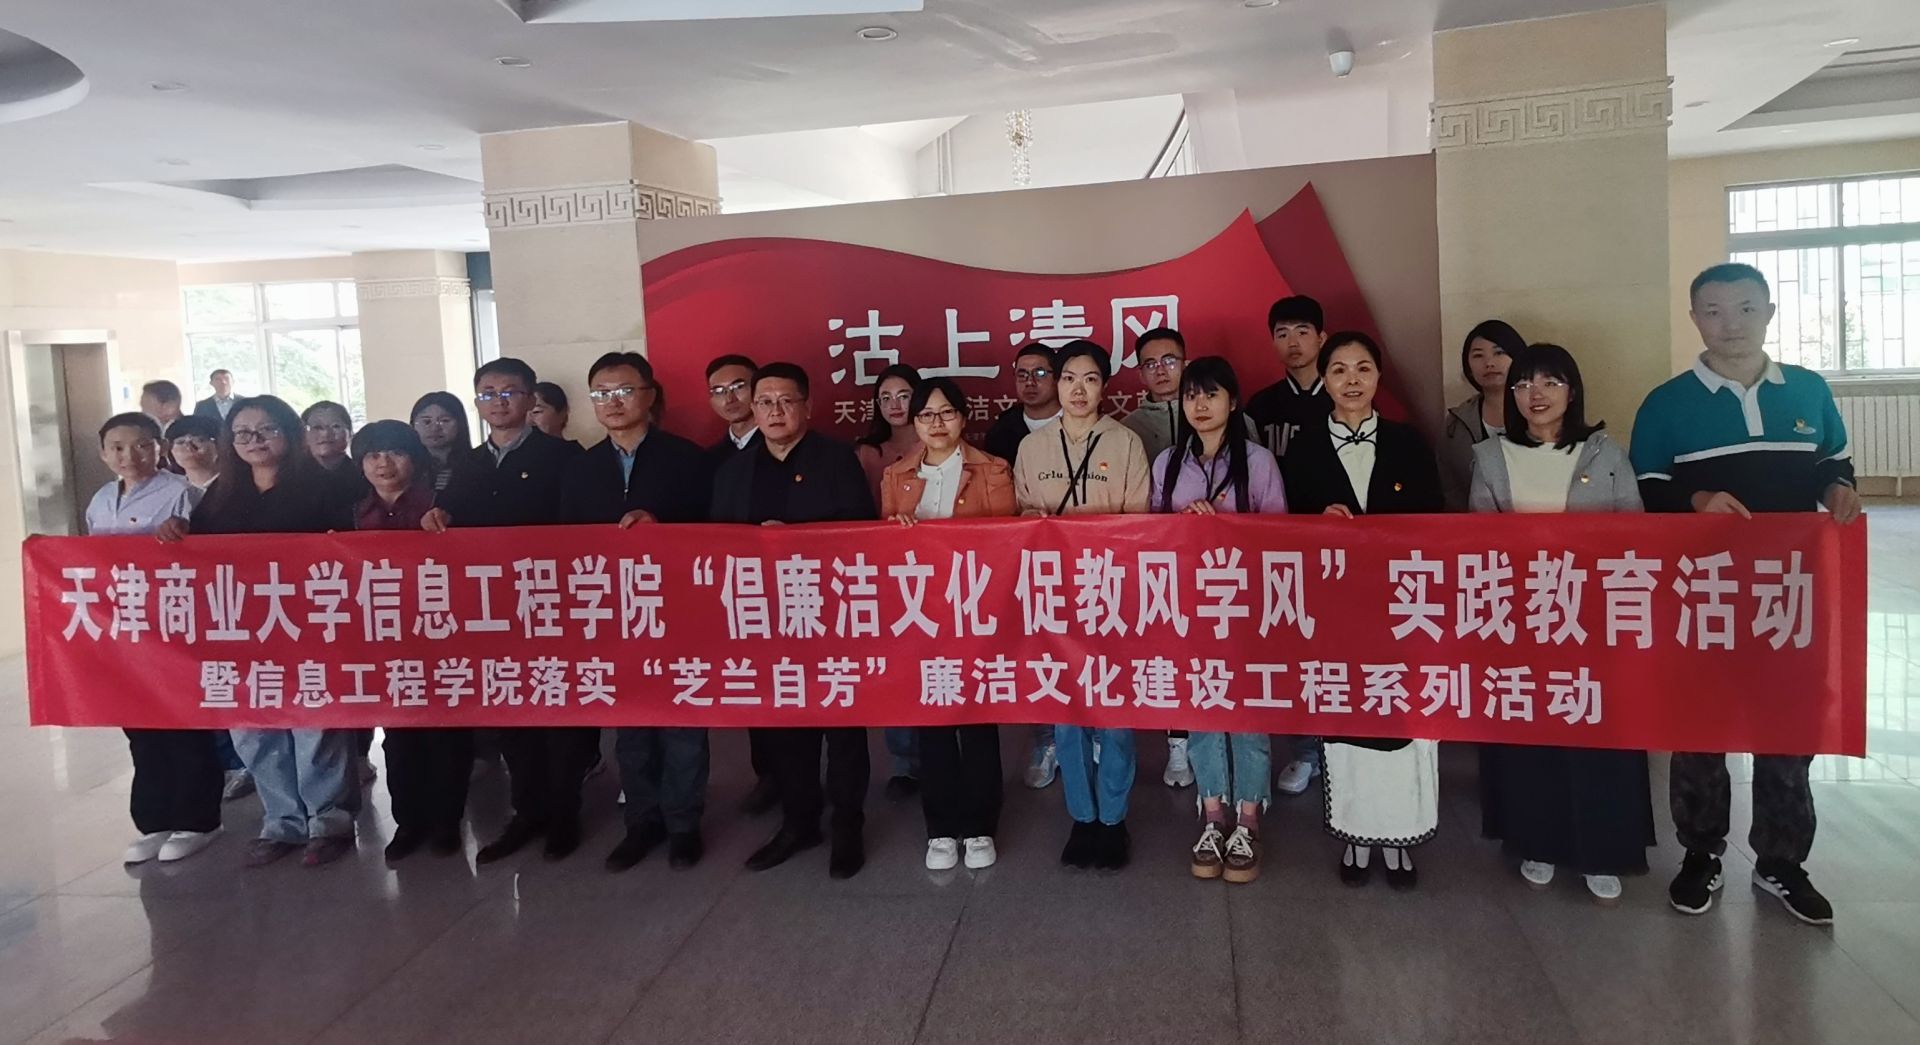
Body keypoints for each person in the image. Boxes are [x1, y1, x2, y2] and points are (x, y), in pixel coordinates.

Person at [1631, 262, 1862, 926]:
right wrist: (1696, 498)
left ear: (1768, 311)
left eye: (1744, 308)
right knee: (1700, 725)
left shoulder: (1808, 390)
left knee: (1788, 723)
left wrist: (1838, 488)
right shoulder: (1666, 403)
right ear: (1694, 318)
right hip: (1702, 593)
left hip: (1789, 592)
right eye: (1713, 310)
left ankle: (1781, 861)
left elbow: (1833, 462)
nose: (1729, 323)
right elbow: (1646, 488)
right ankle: (1700, 852)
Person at [1469, 344, 1654, 905]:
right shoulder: (1491, 457)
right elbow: (1479, 541)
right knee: (1533, 736)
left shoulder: (1606, 452)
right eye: (1525, 384)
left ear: (1572, 391)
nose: (1537, 394)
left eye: (1550, 382)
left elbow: (1635, 534)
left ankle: (1603, 850)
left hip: (1594, 619)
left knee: (1597, 733)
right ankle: (1538, 841)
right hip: (1521, 620)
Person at [158, 395, 359, 868]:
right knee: (255, 730)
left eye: (267, 430)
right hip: (242, 633)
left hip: (309, 626)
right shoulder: (220, 496)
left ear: (289, 433)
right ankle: (282, 822)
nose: (255, 441)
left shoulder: (325, 488)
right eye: (243, 433)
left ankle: (328, 822)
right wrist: (177, 530)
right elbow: (199, 556)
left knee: (315, 726)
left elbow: (350, 554)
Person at [1281, 331, 1442, 889]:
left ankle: (1402, 835)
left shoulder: (1409, 443)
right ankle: (1354, 832)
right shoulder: (1302, 448)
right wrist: (1315, 525)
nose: (1352, 380)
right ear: (1324, 380)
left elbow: (1435, 523)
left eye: (1363, 368)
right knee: (1347, 717)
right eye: (1339, 370)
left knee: (1402, 717)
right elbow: (1282, 530)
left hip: (1404, 608)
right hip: (1336, 611)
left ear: (1378, 377)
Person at [710, 361, 876, 879]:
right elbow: (717, 545)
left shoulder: (837, 460)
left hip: (830, 615)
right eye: (764, 402)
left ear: (808, 406)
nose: (775, 411)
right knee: (785, 728)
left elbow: (861, 536)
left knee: (842, 729)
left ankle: (847, 824)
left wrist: (795, 540)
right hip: (766, 620)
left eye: (786, 401)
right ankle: (799, 822)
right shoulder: (735, 469)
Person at [425, 357, 590, 864]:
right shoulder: (467, 464)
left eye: (509, 392)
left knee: (560, 713)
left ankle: (564, 815)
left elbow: (581, 530)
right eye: (487, 394)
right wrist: (437, 517)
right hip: (491, 611)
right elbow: (450, 525)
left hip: (551, 604)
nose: (498, 403)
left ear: (530, 398)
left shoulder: (564, 456)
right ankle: (528, 812)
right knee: (513, 712)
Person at [557, 351, 714, 873]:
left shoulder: (689, 460)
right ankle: (641, 821)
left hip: (678, 610)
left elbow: (716, 535)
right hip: (612, 615)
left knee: (682, 721)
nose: (613, 402)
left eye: (624, 390)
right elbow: (566, 547)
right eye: (601, 394)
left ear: (649, 396)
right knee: (632, 726)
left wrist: (662, 527)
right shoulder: (580, 469)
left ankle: (684, 824)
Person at [1013, 339, 1152, 871]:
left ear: (1104, 387)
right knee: (1066, 711)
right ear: (1055, 383)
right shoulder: (1033, 448)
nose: (1078, 389)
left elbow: (1138, 524)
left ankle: (1113, 819)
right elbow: (1022, 520)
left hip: (1111, 593)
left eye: (1090, 379)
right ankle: (1081, 816)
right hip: (1055, 597)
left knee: (1114, 711)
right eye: (1068, 378)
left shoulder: (1127, 442)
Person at [1149, 358, 1287, 884]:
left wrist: (1224, 526)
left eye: (1211, 394)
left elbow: (1280, 539)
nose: (1200, 405)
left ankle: (1248, 819)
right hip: (1188, 610)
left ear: (1233, 401)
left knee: (1248, 716)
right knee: (1202, 710)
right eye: (1191, 395)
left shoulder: (1259, 462)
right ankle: (1212, 815)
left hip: (1246, 608)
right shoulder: (1167, 464)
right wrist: (1183, 527)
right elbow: (1148, 537)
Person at [881, 376, 1016, 871]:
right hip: (921, 616)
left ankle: (980, 824)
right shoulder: (896, 475)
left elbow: (1007, 542)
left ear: (963, 417)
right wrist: (894, 533)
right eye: (926, 415)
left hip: (977, 614)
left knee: (978, 723)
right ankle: (940, 827)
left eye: (946, 413)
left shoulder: (994, 469)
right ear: (914, 422)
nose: (936, 423)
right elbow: (882, 554)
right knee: (932, 723)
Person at [87, 413, 222, 866]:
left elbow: (206, 556)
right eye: (118, 447)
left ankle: (199, 820)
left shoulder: (182, 493)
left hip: (173, 628)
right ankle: (154, 820)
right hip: (124, 633)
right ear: (103, 453)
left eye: (142, 445)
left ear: (159, 449)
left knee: (182, 724)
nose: (130, 456)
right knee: (140, 729)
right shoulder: (100, 500)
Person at [342, 420, 472, 862]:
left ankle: (447, 823)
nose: (384, 463)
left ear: (414, 459)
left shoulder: (442, 508)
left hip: (441, 639)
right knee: (398, 739)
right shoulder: (349, 514)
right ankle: (409, 823)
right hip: (383, 643)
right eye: (373, 455)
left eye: (395, 453)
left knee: (446, 736)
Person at [982, 341, 1065, 790]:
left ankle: (1088, 732)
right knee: (1038, 651)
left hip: (1083, 558)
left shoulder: (1080, 421)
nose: (1031, 383)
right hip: (1024, 560)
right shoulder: (1003, 432)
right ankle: (1045, 740)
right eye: (1022, 374)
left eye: (1041, 373)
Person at [703, 353, 780, 815]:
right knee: (756, 684)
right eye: (718, 390)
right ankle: (768, 775)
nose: (729, 398)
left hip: (794, 589)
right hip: (739, 592)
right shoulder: (707, 460)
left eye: (738, 387)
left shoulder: (785, 447)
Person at [854, 363, 925, 800]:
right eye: (885, 398)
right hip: (883, 575)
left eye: (903, 395)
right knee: (897, 668)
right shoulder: (867, 453)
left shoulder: (937, 441)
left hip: (936, 572)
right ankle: (904, 763)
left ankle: (941, 750)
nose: (895, 405)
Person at [1441, 319, 1526, 510]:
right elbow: (1450, 489)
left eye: (1499, 353)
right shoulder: (1455, 424)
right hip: (1473, 523)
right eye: (1478, 355)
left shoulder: (1539, 413)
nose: (1489, 363)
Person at [409, 391, 472, 494]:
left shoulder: (477, 465)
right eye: (426, 421)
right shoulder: (406, 468)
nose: (434, 428)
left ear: (460, 424)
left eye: (444, 420)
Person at [165, 415, 222, 492]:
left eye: (199, 440)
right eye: (180, 442)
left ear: (218, 445)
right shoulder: (171, 490)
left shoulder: (235, 483)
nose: (189, 447)